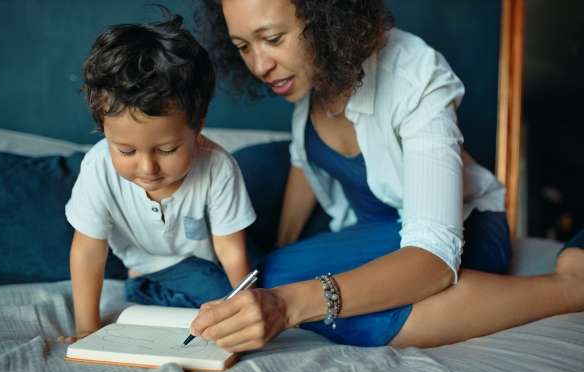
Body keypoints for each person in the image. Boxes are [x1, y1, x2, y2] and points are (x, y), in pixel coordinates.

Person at [188, 0, 584, 352]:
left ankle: (566, 288)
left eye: (272, 38)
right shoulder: (310, 80)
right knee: (265, 273)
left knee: (276, 282)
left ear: (325, 14)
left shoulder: (414, 73)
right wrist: (281, 252)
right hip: (374, 236)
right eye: (243, 46)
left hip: (457, 234)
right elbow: (303, 166)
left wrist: (288, 303)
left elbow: (433, 256)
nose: (259, 65)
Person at [58, 10, 256, 343]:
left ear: (199, 124)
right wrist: (86, 329)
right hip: (151, 266)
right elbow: (88, 251)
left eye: (166, 150)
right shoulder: (97, 168)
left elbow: (232, 250)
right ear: (104, 131)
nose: (148, 169)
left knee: (244, 284)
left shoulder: (218, 167)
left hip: (201, 263)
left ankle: (152, 290)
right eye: (126, 151)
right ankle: (146, 287)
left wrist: (241, 305)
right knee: (210, 289)